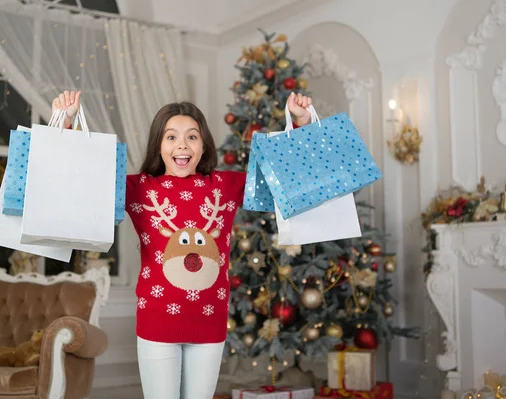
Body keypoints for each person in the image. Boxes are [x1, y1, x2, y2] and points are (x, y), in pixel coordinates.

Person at [51, 90, 313, 399]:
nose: (182, 145)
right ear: (159, 146)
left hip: (209, 322)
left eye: (192, 137)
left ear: (203, 145)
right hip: (157, 321)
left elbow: (285, 180)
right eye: (171, 137)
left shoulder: (226, 185)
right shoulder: (139, 188)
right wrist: (66, 123)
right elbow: (81, 177)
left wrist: (301, 122)